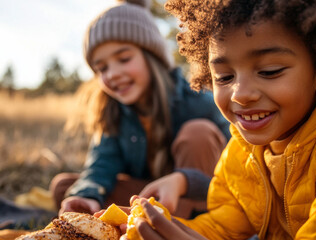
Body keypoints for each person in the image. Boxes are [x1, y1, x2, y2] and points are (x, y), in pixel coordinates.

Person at [117, 0, 316, 239]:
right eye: (224, 77)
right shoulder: (244, 151)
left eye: (270, 71)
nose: (240, 94)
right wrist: (155, 229)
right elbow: (221, 227)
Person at [50, 0, 230, 218]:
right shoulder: (113, 111)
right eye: (102, 68)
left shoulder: (198, 101)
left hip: (204, 196)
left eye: (124, 59)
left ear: (152, 57)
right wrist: (87, 193)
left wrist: (186, 182)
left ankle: (176, 226)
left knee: (198, 132)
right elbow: (102, 164)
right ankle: (149, 219)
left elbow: (238, 165)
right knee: (66, 188)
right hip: (150, 196)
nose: (112, 74)